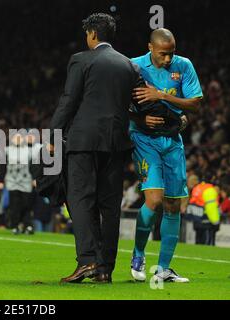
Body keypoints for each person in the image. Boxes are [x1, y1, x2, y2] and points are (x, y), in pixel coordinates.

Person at [50, 13, 139, 284]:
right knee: (110, 206)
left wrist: (54, 133)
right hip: (116, 143)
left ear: (92, 34)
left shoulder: (81, 60)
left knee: (79, 199)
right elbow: (140, 103)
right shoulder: (129, 65)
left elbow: (69, 100)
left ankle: (87, 260)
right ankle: (105, 268)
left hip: (84, 141)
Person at [129, 28, 203, 282]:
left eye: (171, 53)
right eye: (163, 54)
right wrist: (139, 117)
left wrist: (160, 95)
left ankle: (163, 269)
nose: (168, 59)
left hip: (172, 140)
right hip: (144, 139)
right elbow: (118, 102)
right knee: (154, 200)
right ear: (150, 47)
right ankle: (138, 253)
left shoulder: (183, 66)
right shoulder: (134, 67)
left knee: (174, 204)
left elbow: (195, 101)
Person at [186, 175, 221, 245]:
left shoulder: (196, 188)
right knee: (208, 245)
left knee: (198, 244)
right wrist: (216, 222)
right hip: (206, 222)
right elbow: (211, 207)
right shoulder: (209, 190)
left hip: (197, 221)